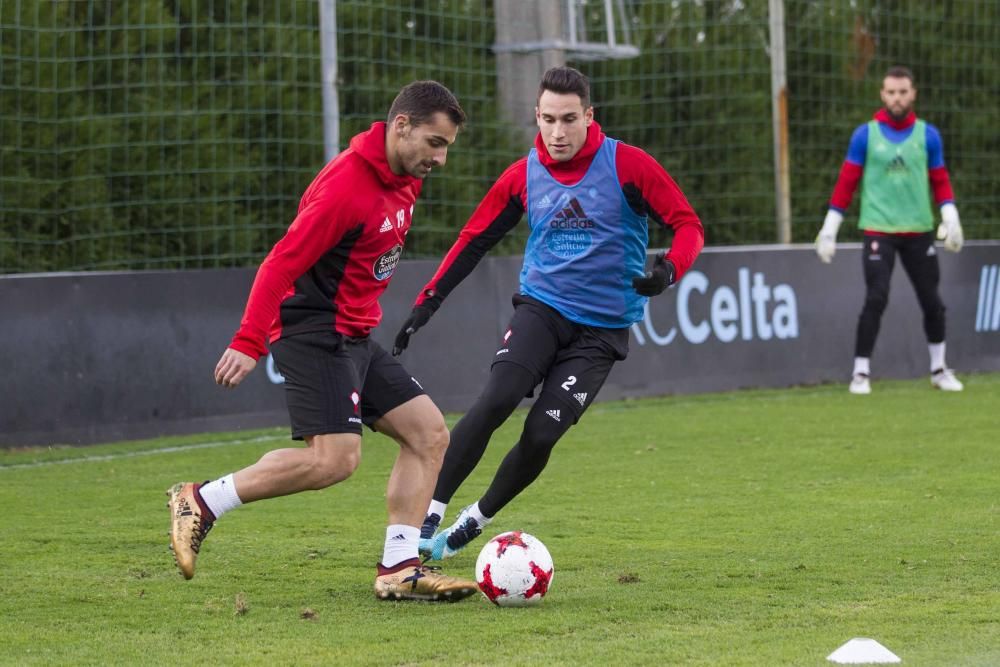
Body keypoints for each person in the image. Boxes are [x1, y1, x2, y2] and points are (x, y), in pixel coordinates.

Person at [167, 80, 479, 602]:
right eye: (435, 143)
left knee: (429, 435)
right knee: (334, 460)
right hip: (313, 327)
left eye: (446, 146)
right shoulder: (347, 187)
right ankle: (201, 500)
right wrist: (249, 340)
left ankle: (399, 569)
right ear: (401, 126)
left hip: (354, 331)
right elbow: (281, 262)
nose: (440, 158)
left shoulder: (404, 174)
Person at [391, 66, 704, 560]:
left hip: (601, 333)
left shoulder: (629, 166)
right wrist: (427, 302)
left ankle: (475, 519)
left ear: (588, 116)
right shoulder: (523, 175)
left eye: (569, 119)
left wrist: (668, 271)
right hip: (543, 308)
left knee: (541, 433)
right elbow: (474, 241)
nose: (557, 132)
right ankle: (428, 511)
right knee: (497, 398)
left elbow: (689, 225)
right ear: (536, 116)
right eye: (548, 120)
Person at [815, 65, 965, 395]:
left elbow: (940, 180)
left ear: (913, 94)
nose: (897, 98)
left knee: (932, 302)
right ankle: (860, 373)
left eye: (903, 92)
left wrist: (950, 217)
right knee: (876, 296)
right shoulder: (865, 135)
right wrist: (830, 228)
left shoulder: (928, 135)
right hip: (878, 229)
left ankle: (939, 369)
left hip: (919, 229)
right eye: (891, 92)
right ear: (883, 94)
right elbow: (846, 183)